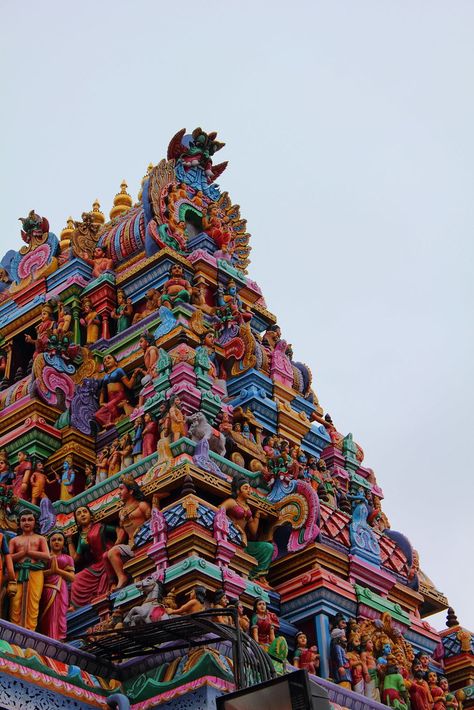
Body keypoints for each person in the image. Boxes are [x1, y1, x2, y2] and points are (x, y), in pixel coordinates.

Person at [220, 475, 274, 582]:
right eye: (245, 488)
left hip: (242, 541)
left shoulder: (247, 508)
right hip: (231, 537)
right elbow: (219, 511)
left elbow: (253, 531)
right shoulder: (232, 502)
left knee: (268, 547)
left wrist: (257, 515)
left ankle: (257, 576)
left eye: (249, 488)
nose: (249, 491)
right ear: (238, 490)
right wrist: (231, 525)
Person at [105, 475, 151, 590]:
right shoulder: (121, 513)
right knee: (111, 553)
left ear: (130, 491)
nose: (119, 493)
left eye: (121, 489)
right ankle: (122, 577)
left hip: (145, 542)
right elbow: (122, 533)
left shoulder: (142, 506)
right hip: (131, 546)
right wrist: (116, 544)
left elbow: (152, 522)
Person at [9, 509, 50, 630]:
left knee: (33, 601)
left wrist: (29, 552)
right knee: (15, 601)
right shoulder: (14, 540)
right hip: (18, 572)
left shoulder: (40, 539)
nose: (26, 522)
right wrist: (23, 553)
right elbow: (8, 558)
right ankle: (14, 629)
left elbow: (47, 556)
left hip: (35, 572)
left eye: (30, 519)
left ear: (35, 522)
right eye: (23, 520)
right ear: (19, 523)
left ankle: (30, 630)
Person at [68, 505, 116, 608]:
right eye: (79, 514)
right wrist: (69, 541)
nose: (82, 514)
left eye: (85, 511)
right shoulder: (82, 536)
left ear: (91, 515)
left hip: (107, 558)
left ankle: (113, 583)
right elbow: (75, 559)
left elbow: (119, 531)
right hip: (97, 565)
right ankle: (76, 606)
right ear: (77, 521)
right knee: (76, 579)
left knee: (105, 557)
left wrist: (115, 547)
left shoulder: (100, 527)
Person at [38, 530, 75, 640]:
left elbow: (72, 577)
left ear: (64, 542)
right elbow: (37, 574)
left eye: (59, 539)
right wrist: (50, 572)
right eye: (53, 540)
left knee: (59, 615)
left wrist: (57, 571)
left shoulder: (68, 558)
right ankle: (47, 638)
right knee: (47, 615)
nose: (56, 542)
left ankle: (59, 638)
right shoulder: (44, 558)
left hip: (60, 587)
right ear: (49, 542)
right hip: (45, 587)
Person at [94, 354, 139, 429]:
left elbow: (129, 385)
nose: (106, 360)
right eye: (104, 360)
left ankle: (112, 422)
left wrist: (134, 375)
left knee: (110, 406)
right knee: (97, 415)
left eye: (109, 358)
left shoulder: (119, 370)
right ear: (104, 366)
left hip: (119, 396)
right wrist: (101, 402)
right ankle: (111, 422)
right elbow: (102, 392)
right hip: (110, 399)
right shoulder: (105, 377)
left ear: (115, 362)